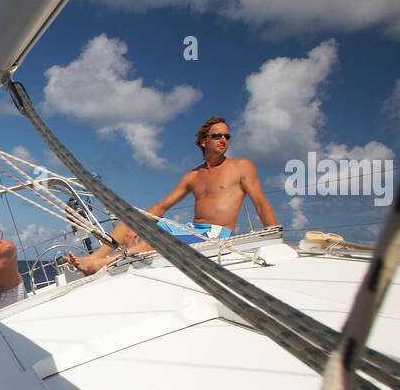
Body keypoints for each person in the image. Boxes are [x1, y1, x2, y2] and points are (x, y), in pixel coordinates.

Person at [68, 117, 280, 275]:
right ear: (204, 141)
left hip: (217, 235)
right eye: (217, 136)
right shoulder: (193, 176)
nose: (224, 140)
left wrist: (276, 238)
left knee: (154, 240)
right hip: (192, 230)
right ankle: (93, 258)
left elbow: (260, 202)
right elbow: (162, 206)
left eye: (227, 136)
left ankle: (103, 265)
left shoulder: (241, 166)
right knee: (129, 221)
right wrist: (137, 223)